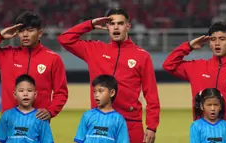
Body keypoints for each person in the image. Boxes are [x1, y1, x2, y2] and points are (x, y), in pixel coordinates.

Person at [58, 8, 160, 143]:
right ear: (107, 27)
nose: (116, 27)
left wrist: (152, 126)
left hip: (130, 123)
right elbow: (64, 39)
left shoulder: (142, 56)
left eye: (120, 23)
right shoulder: (94, 50)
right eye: (112, 23)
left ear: (127, 26)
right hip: (100, 122)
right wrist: (91, 24)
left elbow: (151, 93)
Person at [163, 21, 226, 142]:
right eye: (213, 39)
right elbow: (168, 65)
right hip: (204, 136)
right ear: (209, 43)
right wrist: (188, 46)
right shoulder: (197, 67)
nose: (217, 43)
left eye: (222, 39)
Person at [0, 11, 68, 120]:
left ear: (40, 33)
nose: (25, 34)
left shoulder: (53, 59)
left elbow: (61, 92)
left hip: (38, 123)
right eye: (21, 31)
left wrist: (50, 111)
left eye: (30, 30)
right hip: (9, 123)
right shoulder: (6, 55)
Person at [0, 74, 54, 143]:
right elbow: (0, 140)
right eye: (21, 91)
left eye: (29, 90)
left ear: (35, 94)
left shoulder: (41, 116)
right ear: (15, 94)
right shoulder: (7, 115)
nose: (25, 94)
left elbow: (47, 140)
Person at [74, 74, 129, 143]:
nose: (96, 95)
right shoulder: (87, 115)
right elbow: (79, 139)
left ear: (112, 93)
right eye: (94, 91)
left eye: (100, 91)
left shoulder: (118, 119)